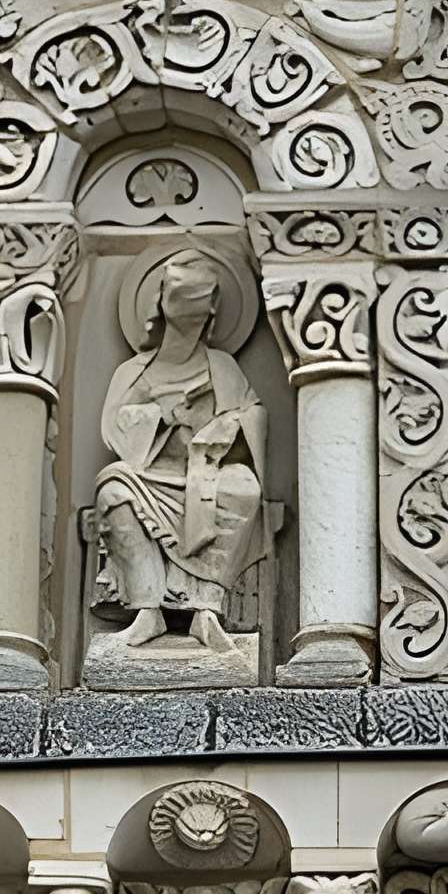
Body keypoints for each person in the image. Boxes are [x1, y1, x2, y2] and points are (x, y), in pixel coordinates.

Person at [92, 251, 266, 655]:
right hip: (151, 475)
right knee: (112, 491)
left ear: (212, 310)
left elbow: (251, 413)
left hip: (203, 474)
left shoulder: (221, 366)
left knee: (244, 487)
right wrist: (162, 417)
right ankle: (147, 610)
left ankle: (206, 610)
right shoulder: (136, 370)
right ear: (160, 303)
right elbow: (112, 428)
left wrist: (224, 425)